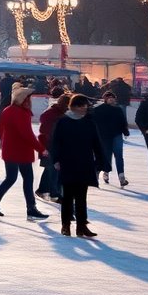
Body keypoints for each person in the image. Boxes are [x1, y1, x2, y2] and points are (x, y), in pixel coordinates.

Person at [0, 85, 50, 221]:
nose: (30, 101)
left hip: (10, 150)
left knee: (12, 177)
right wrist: (41, 149)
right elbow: (27, 134)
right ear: (22, 100)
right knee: (26, 179)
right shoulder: (21, 113)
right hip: (21, 152)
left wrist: (4, 142)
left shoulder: (8, 110)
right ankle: (30, 208)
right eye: (28, 99)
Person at [47, 94, 104, 237]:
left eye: (85, 106)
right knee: (67, 196)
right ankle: (65, 225)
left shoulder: (89, 122)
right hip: (68, 162)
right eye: (81, 106)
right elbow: (56, 142)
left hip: (84, 162)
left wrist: (101, 161)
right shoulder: (63, 122)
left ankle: (81, 226)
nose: (84, 108)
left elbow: (96, 142)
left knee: (81, 196)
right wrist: (56, 160)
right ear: (74, 106)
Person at [36, 93, 71, 203]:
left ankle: (42, 190)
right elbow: (47, 131)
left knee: (50, 169)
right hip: (49, 145)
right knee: (55, 169)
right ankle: (55, 194)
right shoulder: (52, 114)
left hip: (56, 145)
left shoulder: (60, 114)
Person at [91, 90, 130, 187]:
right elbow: (92, 121)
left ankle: (121, 177)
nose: (112, 100)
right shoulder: (99, 110)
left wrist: (125, 131)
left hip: (117, 135)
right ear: (105, 100)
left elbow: (122, 121)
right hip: (104, 136)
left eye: (113, 99)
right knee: (106, 156)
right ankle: (105, 173)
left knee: (119, 156)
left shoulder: (118, 110)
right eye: (109, 99)